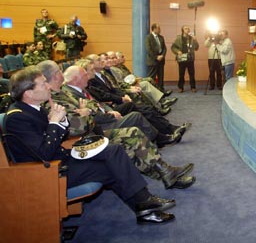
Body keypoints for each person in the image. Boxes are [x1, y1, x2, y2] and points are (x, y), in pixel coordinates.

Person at [4, 66, 177, 224]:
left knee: (113, 151)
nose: (48, 87)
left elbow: (57, 137)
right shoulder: (17, 117)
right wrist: (55, 124)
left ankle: (145, 204)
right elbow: (44, 153)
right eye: (42, 85)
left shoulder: (34, 108)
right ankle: (145, 206)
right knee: (111, 167)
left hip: (60, 158)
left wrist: (59, 121)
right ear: (28, 93)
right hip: (47, 172)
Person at [36, 60, 196, 190]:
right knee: (132, 134)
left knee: (133, 132)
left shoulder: (63, 93)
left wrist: (86, 111)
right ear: (54, 75)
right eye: (58, 70)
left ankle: (165, 172)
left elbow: (91, 107)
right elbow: (76, 125)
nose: (61, 73)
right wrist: (84, 112)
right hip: (84, 140)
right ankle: (164, 172)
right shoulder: (51, 99)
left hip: (93, 129)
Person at [171, 26, 199, 93]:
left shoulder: (192, 38)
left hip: (190, 58)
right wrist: (177, 51)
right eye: (186, 28)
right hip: (182, 59)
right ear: (182, 30)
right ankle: (180, 87)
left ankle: (193, 87)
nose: (188, 29)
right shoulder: (178, 38)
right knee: (181, 74)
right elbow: (173, 47)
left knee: (192, 74)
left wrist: (195, 40)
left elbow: (196, 48)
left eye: (188, 28)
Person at [145, 23, 167, 91]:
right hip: (152, 60)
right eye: (158, 28)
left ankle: (161, 90)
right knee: (151, 77)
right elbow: (148, 49)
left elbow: (164, 48)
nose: (160, 30)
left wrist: (162, 55)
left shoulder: (161, 37)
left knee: (161, 76)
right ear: (154, 29)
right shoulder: (148, 37)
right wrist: (156, 57)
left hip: (161, 60)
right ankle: (151, 91)